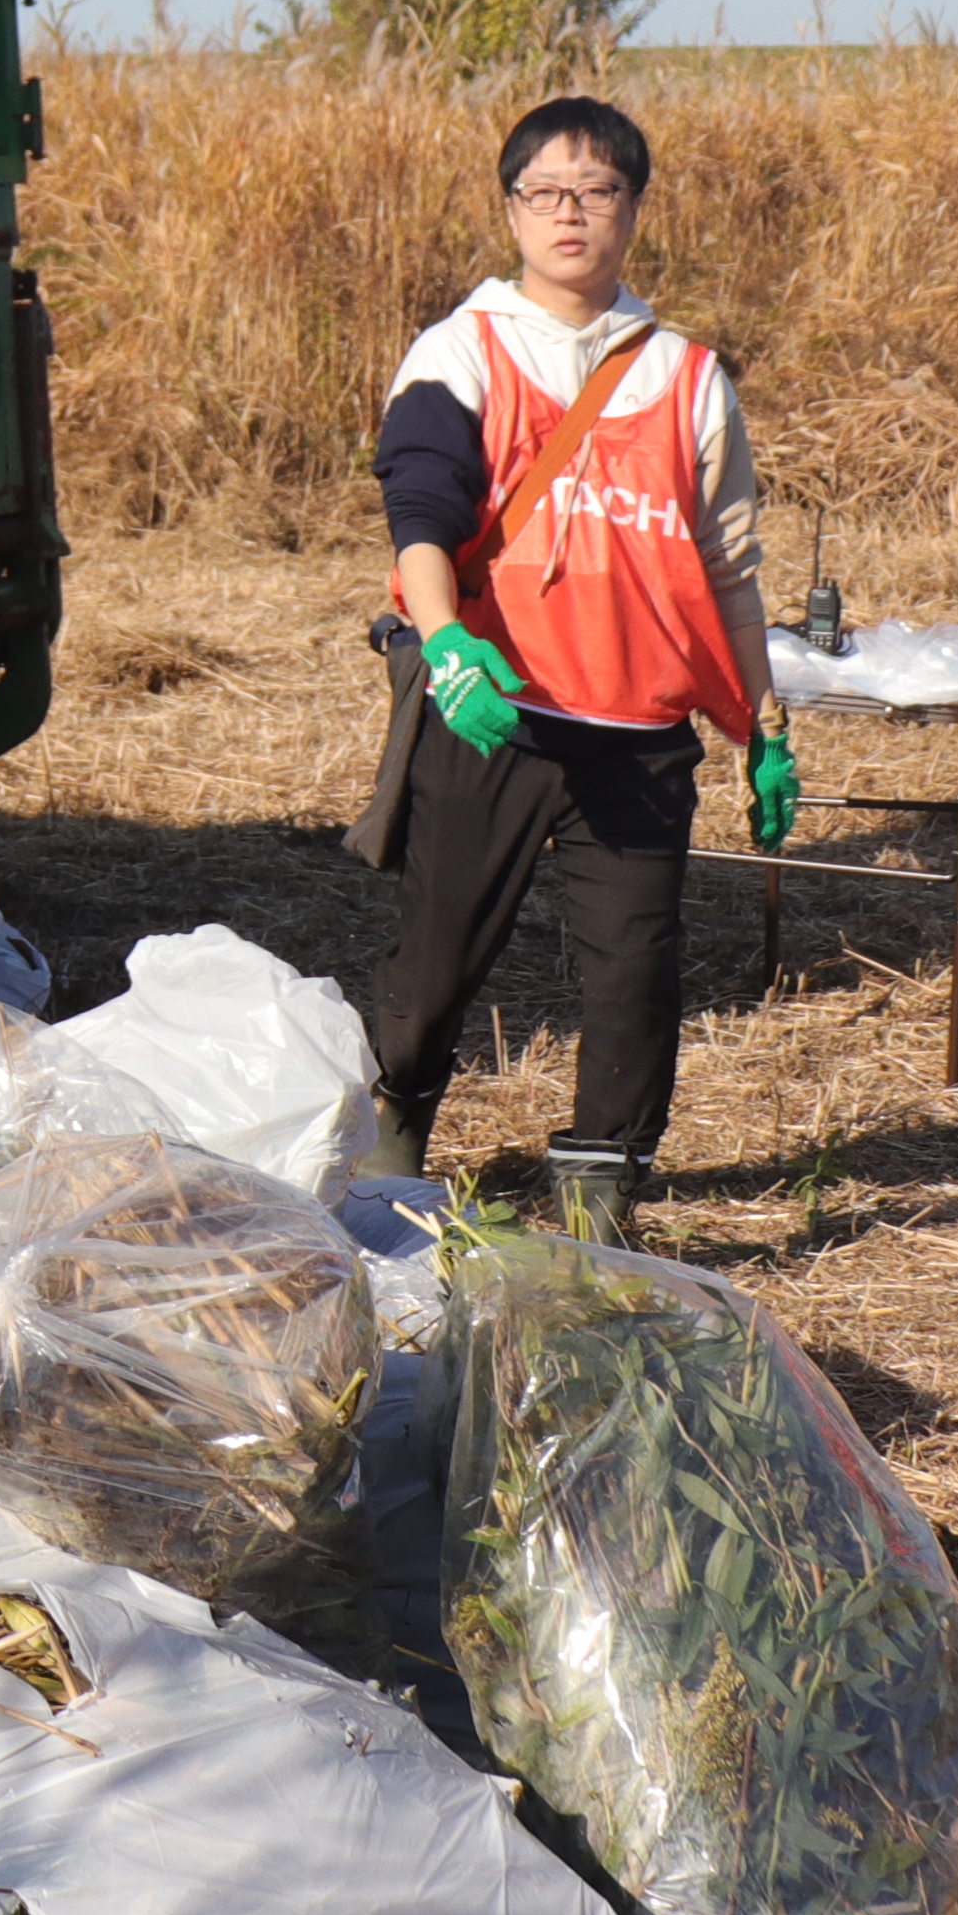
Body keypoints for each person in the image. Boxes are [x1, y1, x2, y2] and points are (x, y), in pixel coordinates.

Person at [360, 96, 803, 1239]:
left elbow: (730, 567)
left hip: (638, 735)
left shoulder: (688, 378)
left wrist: (764, 726)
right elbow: (420, 498)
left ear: (633, 209)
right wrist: (444, 637)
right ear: (511, 209)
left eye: (597, 190)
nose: (570, 212)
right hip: (490, 713)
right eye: (545, 192)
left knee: (635, 979)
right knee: (436, 966)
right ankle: (393, 1146)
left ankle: (600, 1210)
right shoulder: (465, 347)